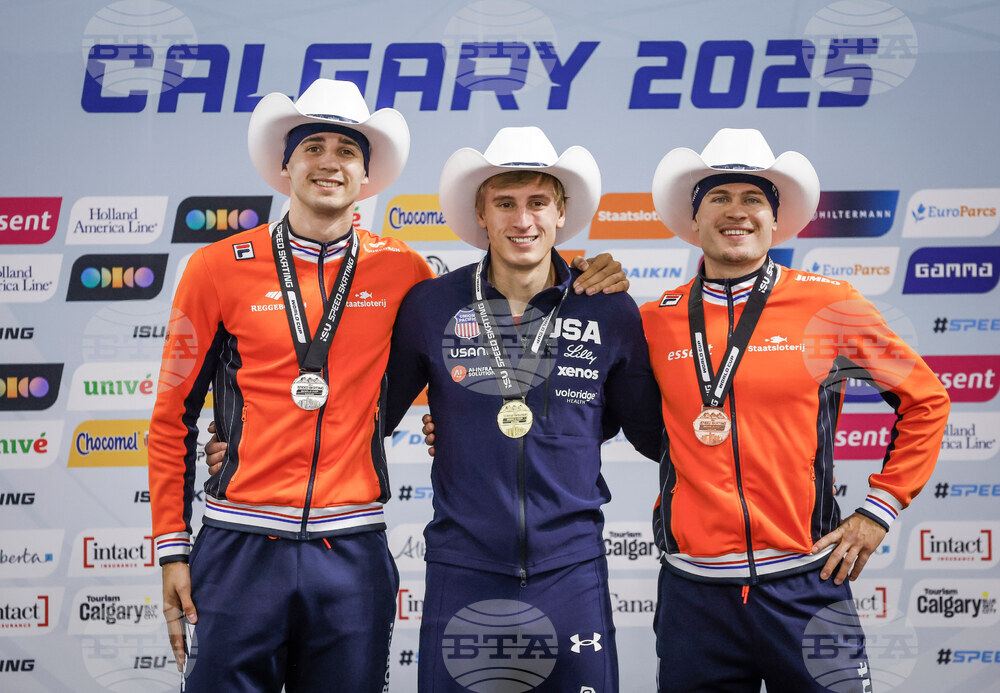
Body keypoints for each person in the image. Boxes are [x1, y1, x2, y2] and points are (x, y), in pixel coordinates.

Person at [150, 79, 629, 692]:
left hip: (351, 552)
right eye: (313, 146)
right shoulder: (216, 267)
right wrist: (170, 545)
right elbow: (171, 416)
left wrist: (585, 269)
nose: (329, 162)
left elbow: (470, 377)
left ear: (367, 173)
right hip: (239, 542)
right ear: (285, 163)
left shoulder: (405, 274)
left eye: (347, 151)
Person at [640, 128, 950, 692]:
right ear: (695, 218)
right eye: (719, 197)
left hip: (807, 583)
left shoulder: (828, 304)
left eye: (753, 198)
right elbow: (588, 403)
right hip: (693, 595)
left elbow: (926, 400)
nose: (737, 212)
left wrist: (879, 509)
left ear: (775, 219)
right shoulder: (653, 319)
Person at [382, 126, 664, 692]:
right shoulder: (430, 305)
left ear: (561, 213)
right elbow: (363, 419)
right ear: (481, 215)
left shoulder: (608, 309)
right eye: (505, 203)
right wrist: (251, 444)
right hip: (463, 570)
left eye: (538, 202)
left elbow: (657, 435)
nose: (523, 220)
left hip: (571, 573)